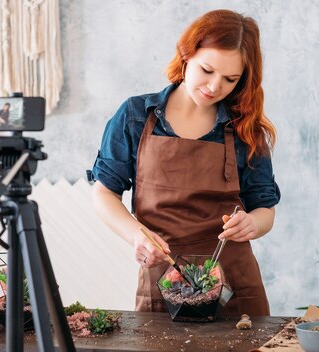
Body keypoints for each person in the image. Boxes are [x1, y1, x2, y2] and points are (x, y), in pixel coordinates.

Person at [89, 9, 280, 317]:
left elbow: (264, 210)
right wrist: (136, 235)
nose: (215, 87)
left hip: (234, 285)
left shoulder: (245, 129)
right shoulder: (136, 116)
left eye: (230, 79)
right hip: (162, 284)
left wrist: (252, 223)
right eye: (207, 70)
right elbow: (104, 193)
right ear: (186, 54)